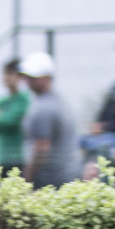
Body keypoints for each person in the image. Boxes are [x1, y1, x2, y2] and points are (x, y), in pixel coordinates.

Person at [18, 52, 81, 189]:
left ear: (47, 78)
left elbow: (41, 147)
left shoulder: (43, 108)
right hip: (67, 175)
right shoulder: (59, 101)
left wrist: (28, 175)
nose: (28, 80)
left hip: (49, 179)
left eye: (34, 76)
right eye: (27, 76)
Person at [80, 43, 115, 167]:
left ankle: (99, 178)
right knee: (79, 141)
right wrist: (96, 126)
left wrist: (105, 127)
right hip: (108, 135)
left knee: (100, 146)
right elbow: (103, 113)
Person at [0, 58, 29, 175]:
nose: (6, 77)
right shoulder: (1, 100)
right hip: (2, 157)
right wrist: (4, 119)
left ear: (20, 77)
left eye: (10, 74)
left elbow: (11, 121)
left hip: (18, 158)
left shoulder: (24, 99)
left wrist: (2, 117)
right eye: (5, 74)